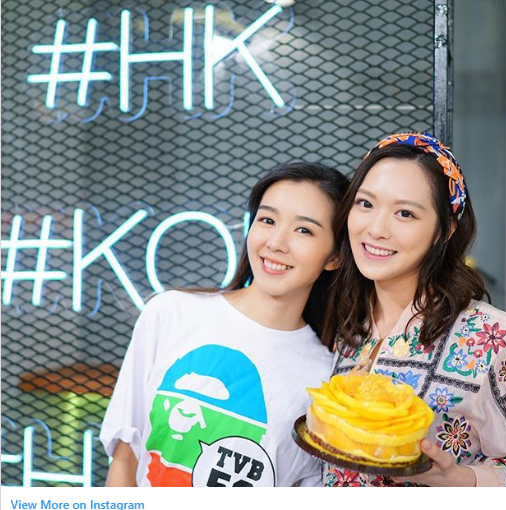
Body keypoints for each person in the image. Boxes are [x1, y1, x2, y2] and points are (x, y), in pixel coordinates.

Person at [102, 162, 349, 487]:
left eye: (304, 230)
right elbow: (125, 458)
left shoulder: (325, 380)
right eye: (267, 220)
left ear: (334, 256)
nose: (276, 242)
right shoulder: (170, 313)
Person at [323, 132, 506, 487]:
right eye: (365, 203)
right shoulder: (345, 324)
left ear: (443, 231)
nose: (376, 229)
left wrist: (459, 478)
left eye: (405, 213)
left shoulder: (490, 336)